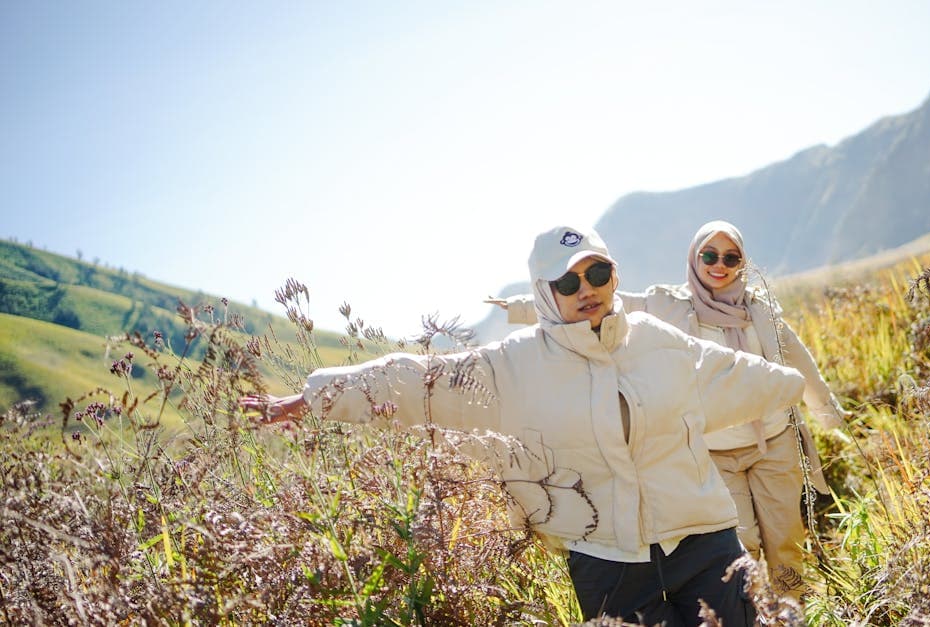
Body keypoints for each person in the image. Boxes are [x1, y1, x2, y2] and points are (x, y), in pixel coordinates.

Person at [241, 224, 811, 626]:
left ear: (614, 274)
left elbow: (736, 374)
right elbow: (421, 380)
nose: (586, 289)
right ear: (544, 293)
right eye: (568, 282)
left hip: (706, 545)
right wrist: (320, 395)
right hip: (607, 562)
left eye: (598, 272)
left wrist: (798, 386)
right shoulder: (510, 367)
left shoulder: (658, 341)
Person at [492, 220, 847, 594]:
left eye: (731, 257)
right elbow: (601, 300)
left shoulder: (760, 311)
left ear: (743, 261)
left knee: (786, 540)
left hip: (775, 444)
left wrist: (828, 412)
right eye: (709, 255)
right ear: (694, 258)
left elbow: (799, 362)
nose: (719, 264)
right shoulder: (670, 304)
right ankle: (752, 615)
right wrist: (520, 307)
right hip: (715, 455)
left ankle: (791, 614)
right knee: (743, 549)